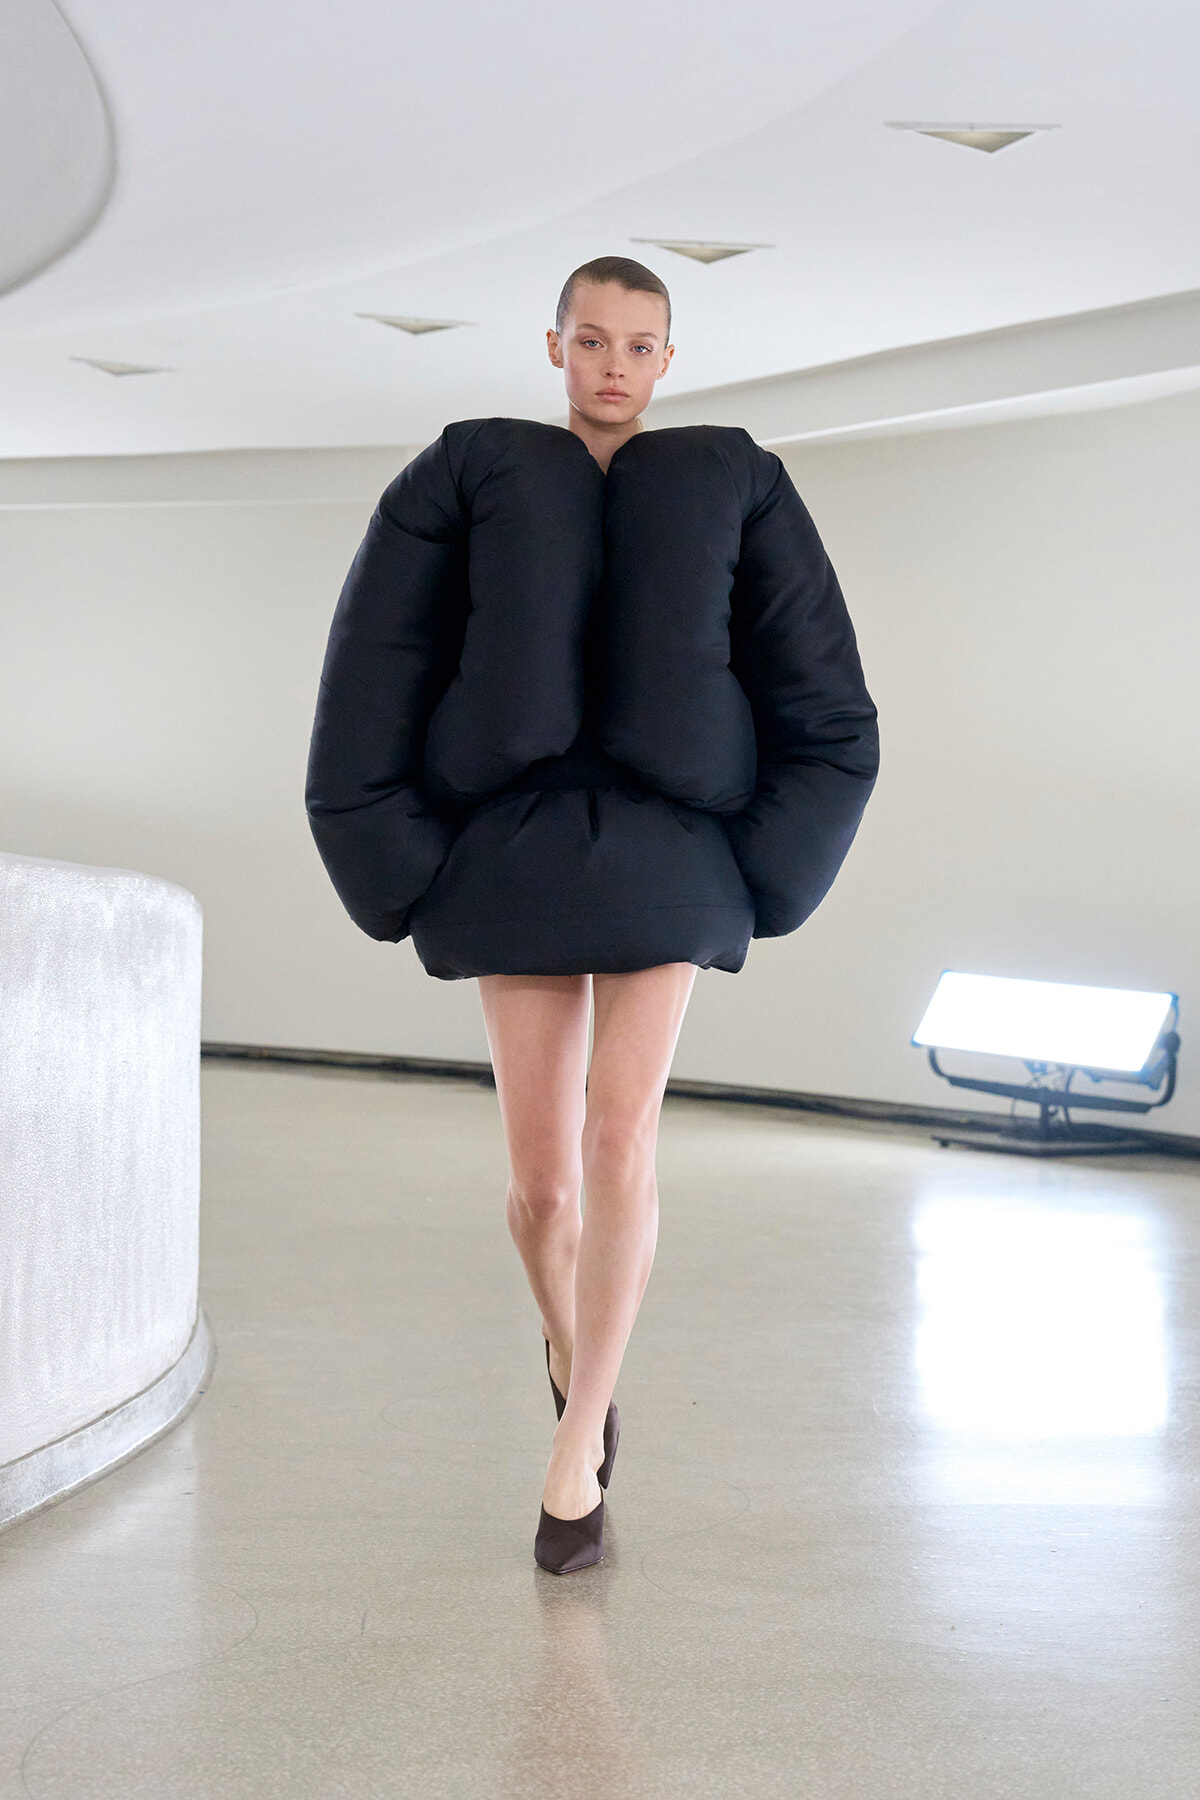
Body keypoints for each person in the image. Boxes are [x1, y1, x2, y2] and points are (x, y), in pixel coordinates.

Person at [306, 255, 879, 1573]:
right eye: (594, 340)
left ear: (669, 359)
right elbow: (382, 661)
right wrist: (402, 848)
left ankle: (575, 1457)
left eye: (641, 344)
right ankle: (571, 1347)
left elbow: (812, 681)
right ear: (553, 345)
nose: (616, 365)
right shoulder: (482, 482)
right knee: (540, 1182)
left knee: (622, 1141)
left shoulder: (725, 483)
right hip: (512, 840)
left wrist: (762, 858)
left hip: (667, 847)